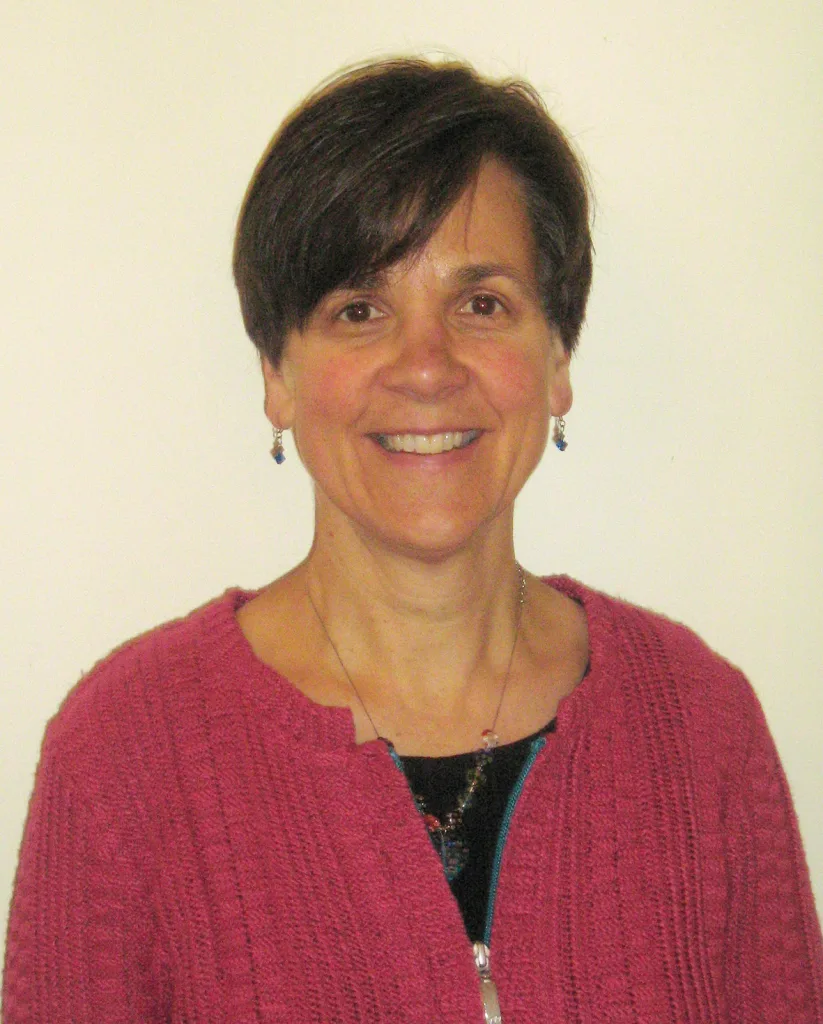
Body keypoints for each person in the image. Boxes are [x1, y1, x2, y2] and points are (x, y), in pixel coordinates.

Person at [3, 57, 822, 1024]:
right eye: (360, 309)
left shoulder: (701, 727)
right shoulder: (122, 759)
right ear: (277, 373)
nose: (425, 367)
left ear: (557, 358)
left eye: (481, 304)